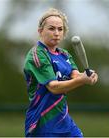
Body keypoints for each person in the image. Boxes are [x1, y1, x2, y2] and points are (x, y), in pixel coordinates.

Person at [23, 8, 98, 137]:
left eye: (60, 29)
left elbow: (76, 75)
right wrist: (82, 80)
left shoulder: (64, 54)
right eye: (51, 29)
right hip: (43, 123)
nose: (56, 33)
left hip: (64, 120)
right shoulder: (37, 55)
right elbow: (53, 87)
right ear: (40, 31)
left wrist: (90, 76)